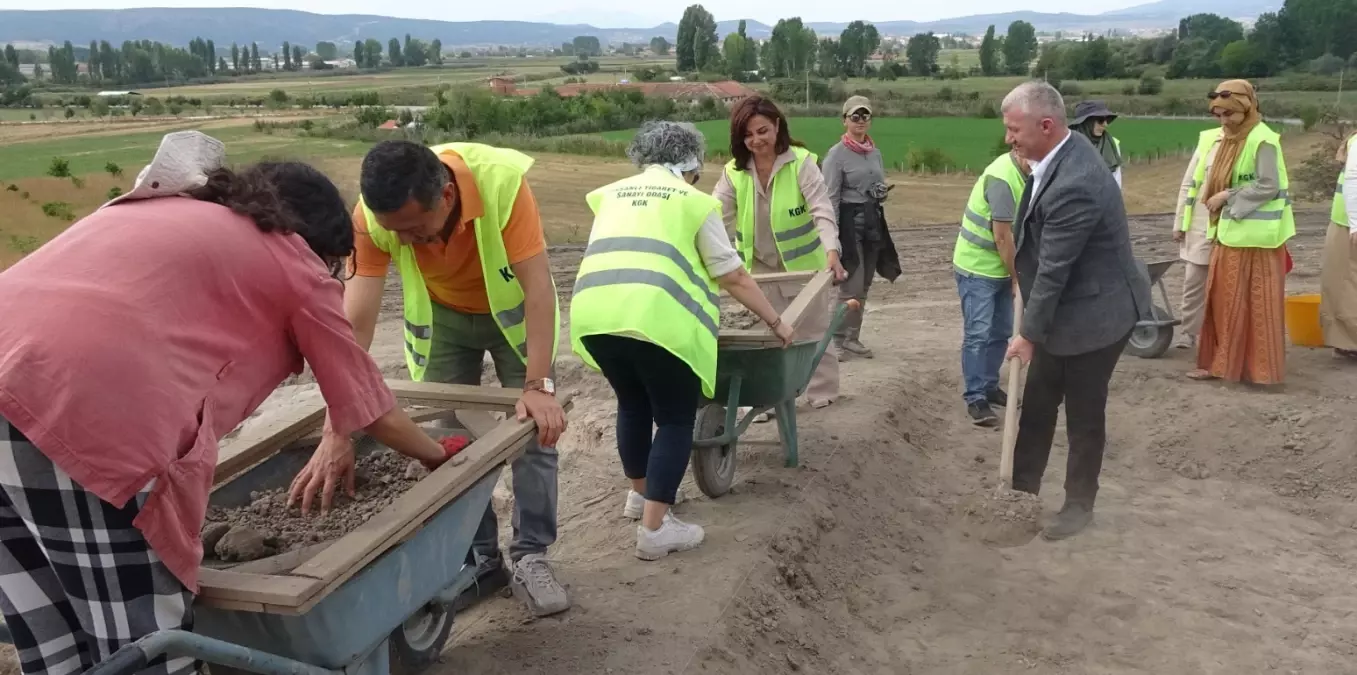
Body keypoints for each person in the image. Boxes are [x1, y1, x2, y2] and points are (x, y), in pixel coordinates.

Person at [0, 132, 460, 675]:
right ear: (320, 244)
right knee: (146, 648)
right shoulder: (293, 260)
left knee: (54, 637)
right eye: (337, 265)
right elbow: (371, 408)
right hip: (81, 414)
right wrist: (437, 457)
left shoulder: (163, 208)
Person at [289, 140, 571, 618]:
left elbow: (539, 287)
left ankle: (532, 556)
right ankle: (480, 558)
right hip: (444, 321)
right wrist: (339, 424)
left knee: (535, 434)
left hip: (513, 318)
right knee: (442, 442)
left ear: (445, 195)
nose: (406, 240)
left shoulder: (501, 183)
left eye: (416, 229)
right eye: (396, 232)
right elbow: (355, 323)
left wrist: (538, 386)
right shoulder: (374, 217)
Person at [571, 121, 794, 560]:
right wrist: (776, 322)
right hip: (656, 322)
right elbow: (731, 274)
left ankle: (641, 498)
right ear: (691, 163)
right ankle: (655, 530)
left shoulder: (613, 193)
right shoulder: (693, 202)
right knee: (674, 419)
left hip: (594, 315)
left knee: (632, 405)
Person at [1000, 82, 1152, 540]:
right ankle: (1021, 494)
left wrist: (1027, 334)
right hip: (1068, 306)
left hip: (1097, 316)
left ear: (1046, 126)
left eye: (1014, 129)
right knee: (1041, 398)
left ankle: (1078, 505)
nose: (1009, 139)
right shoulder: (1057, 154)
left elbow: (1054, 269)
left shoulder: (1078, 183)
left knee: (1084, 411)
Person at [714, 95, 846, 416]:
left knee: (812, 329)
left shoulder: (801, 163)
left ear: (776, 125)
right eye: (748, 135)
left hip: (804, 264)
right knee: (768, 332)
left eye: (762, 131)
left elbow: (822, 210)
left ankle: (822, 390)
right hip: (759, 264)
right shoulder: (734, 172)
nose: (756, 140)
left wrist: (832, 249)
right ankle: (769, 395)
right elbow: (714, 214)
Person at [1184, 80, 1295, 384]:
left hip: (1258, 241)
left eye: (1229, 115)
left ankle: (1256, 371)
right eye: (1218, 116)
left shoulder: (1262, 140)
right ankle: (1221, 365)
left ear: (1245, 109)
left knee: (1255, 306)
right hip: (1232, 234)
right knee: (1224, 302)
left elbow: (1268, 184)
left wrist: (1227, 196)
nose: (1223, 122)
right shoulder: (1233, 140)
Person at [953, 148, 1030, 426]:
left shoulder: (1028, 174)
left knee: (1000, 332)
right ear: (1018, 149)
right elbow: (1002, 237)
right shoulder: (1002, 179)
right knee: (978, 334)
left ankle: (989, 385)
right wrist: (1017, 276)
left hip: (1000, 269)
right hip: (977, 269)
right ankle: (975, 398)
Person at [822, 95, 902, 360]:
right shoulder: (836, 156)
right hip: (848, 223)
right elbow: (830, 198)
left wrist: (880, 193)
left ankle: (852, 338)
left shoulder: (875, 152)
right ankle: (833, 341)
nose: (860, 121)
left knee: (865, 284)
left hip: (872, 220)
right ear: (844, 120)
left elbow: (875, 186)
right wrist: (832, 238)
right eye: (854, 116)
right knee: (850, 285)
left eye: (865, 116)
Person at [1321, 131, 1357, 360]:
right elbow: (1354, 180)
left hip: (1349, 224)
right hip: (1348, 223)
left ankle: (1349, 341)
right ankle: (1349, 341)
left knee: (1346, 281)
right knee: (1346, 282)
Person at [1069, 100, 1124, 189]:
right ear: (1086, 122)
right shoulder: (1067, 145)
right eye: (1101, 120)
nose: (1105, 124)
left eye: (1106, 120)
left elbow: (1116, 182)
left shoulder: (1112, 144)